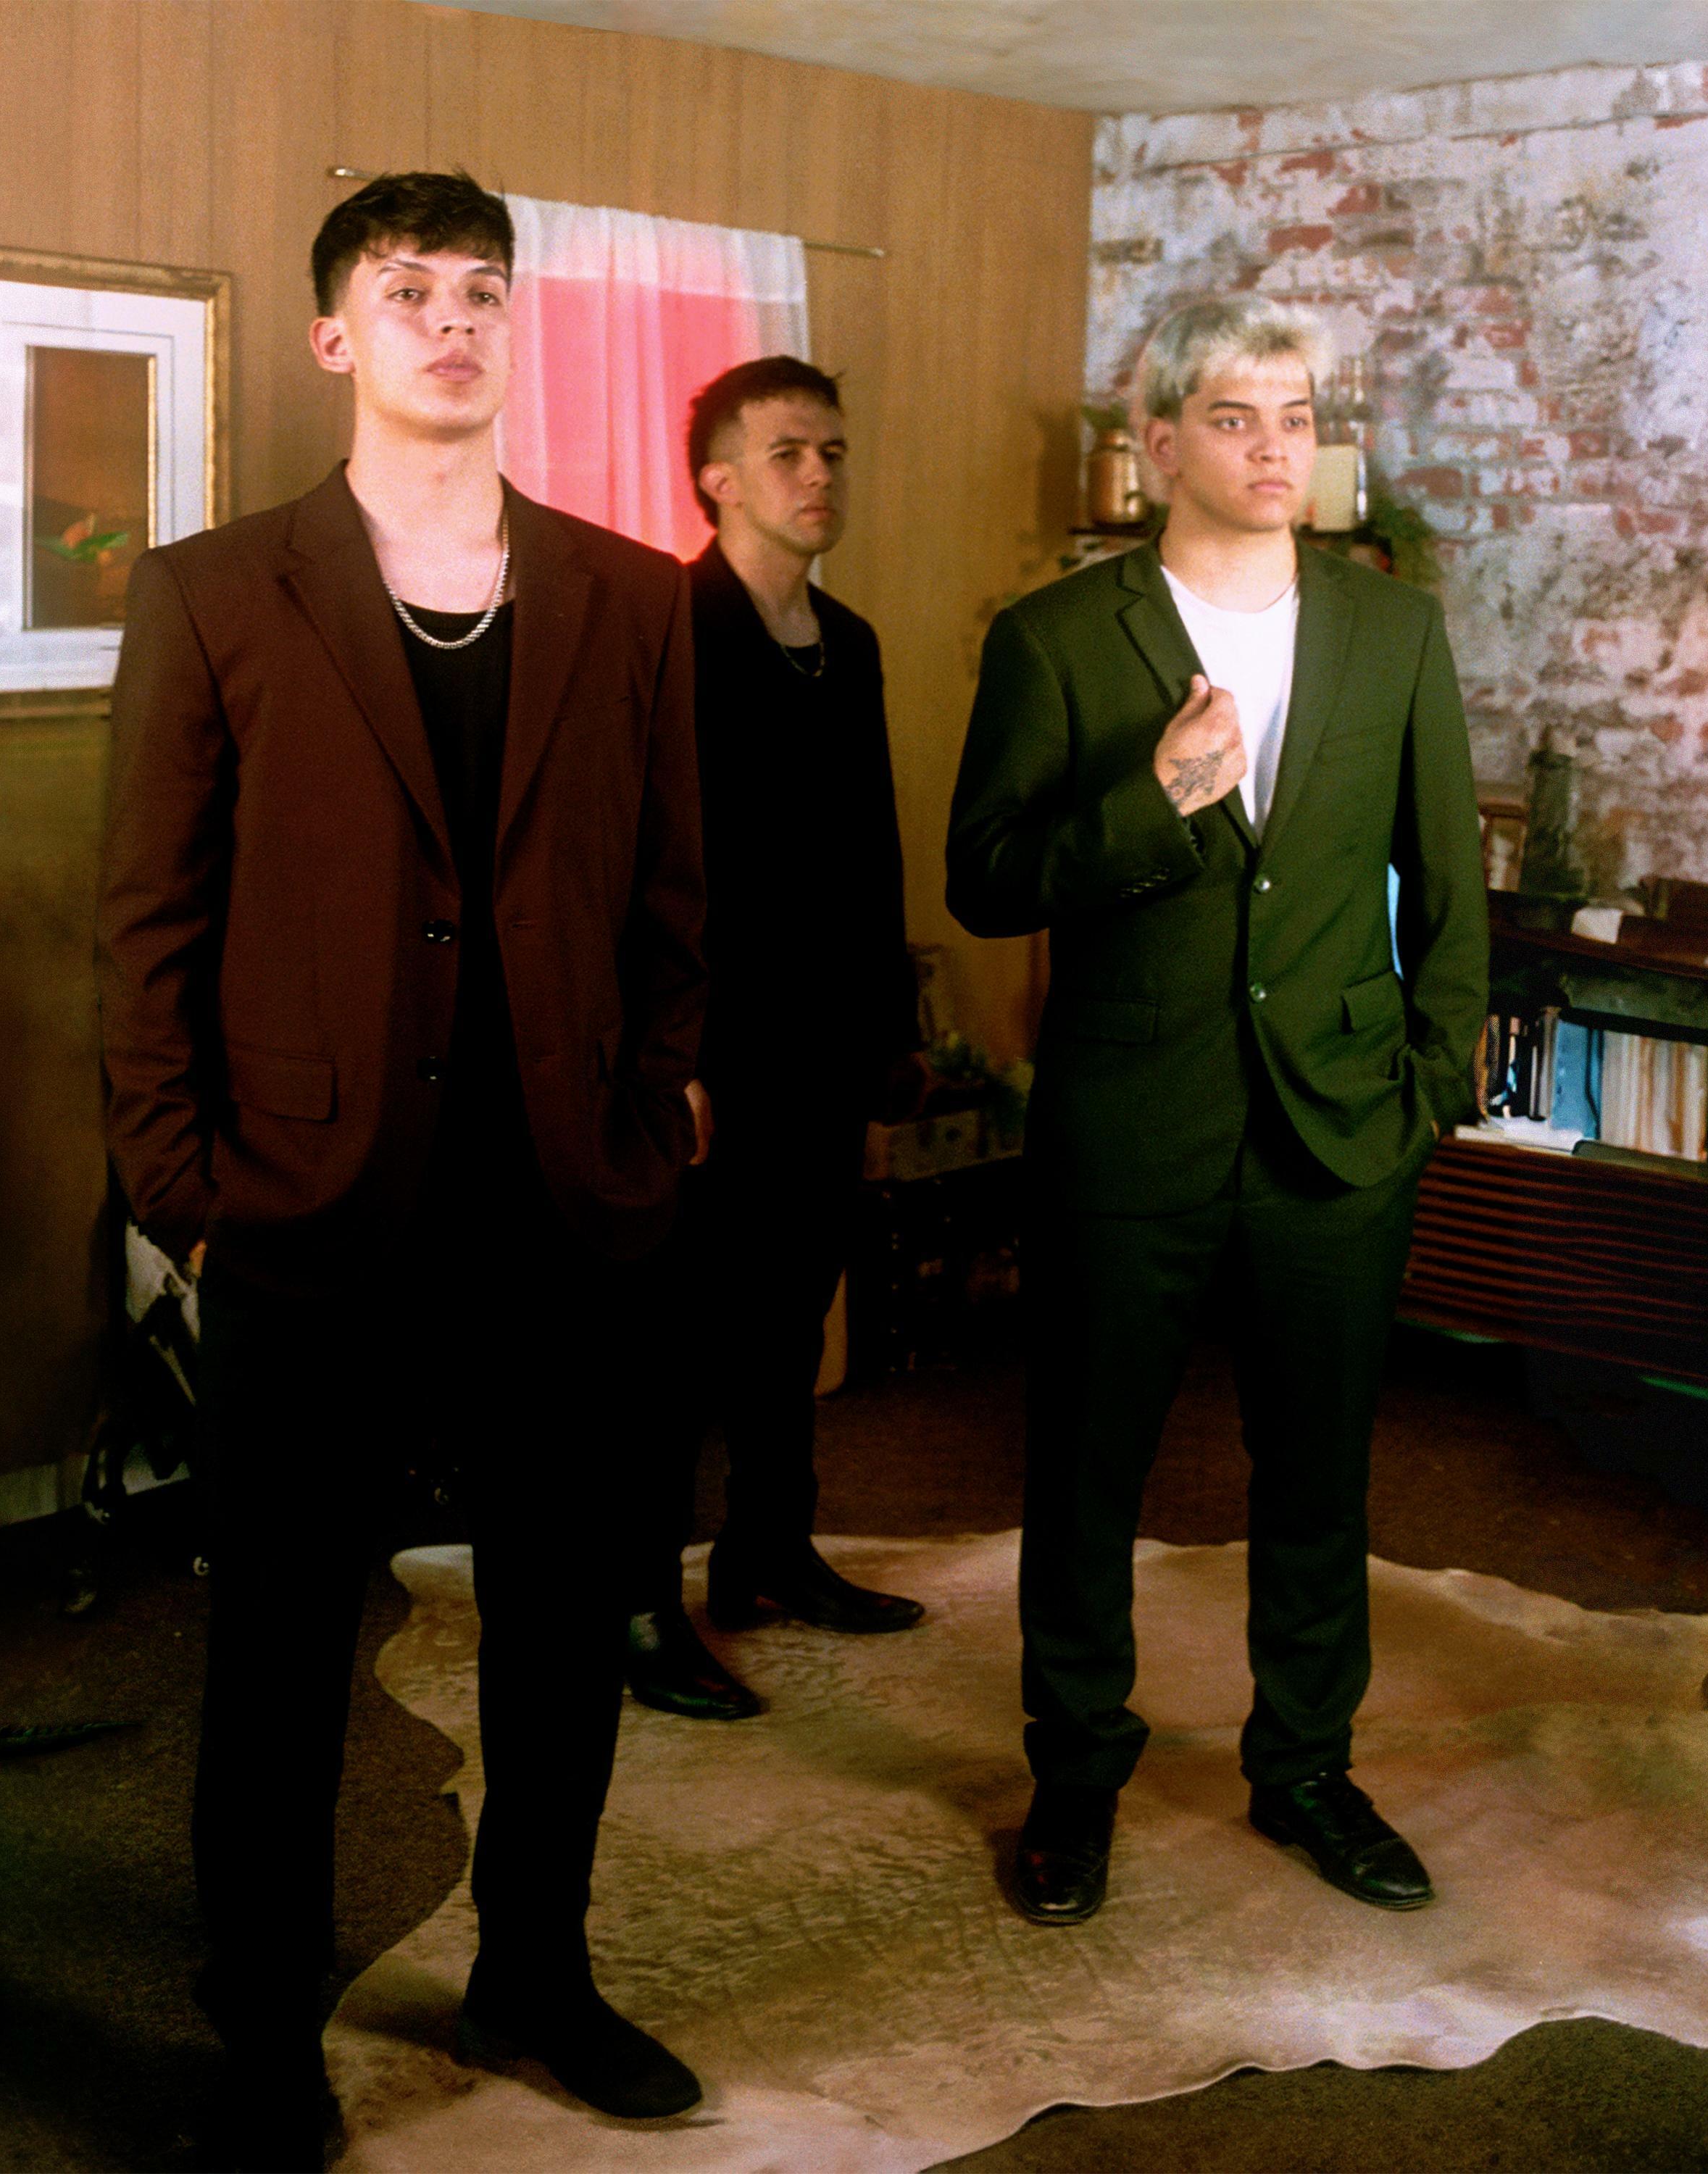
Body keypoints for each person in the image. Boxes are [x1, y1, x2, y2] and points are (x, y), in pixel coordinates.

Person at [97, 170, 709, 2167]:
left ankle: (535, 1972)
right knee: (281, 1653)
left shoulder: (632, 596)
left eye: (484, 293)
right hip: (306, 1203)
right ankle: (267, 2026)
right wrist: (181, 1188)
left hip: (565, 1206)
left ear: (516, 329)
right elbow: (149, 927)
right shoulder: (213, 592)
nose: (454, 322)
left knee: (564, 1629)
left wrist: (650, 1118)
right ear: (334, 337)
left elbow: (674, 902)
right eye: (409, 290)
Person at [946, 296, 1488, 1928]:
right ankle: (1074, 1780)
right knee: (1086, 1475)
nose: (1274, 448)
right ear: (1162, 441)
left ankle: (1307, 1769)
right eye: (1238, 418)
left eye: (1296, 418)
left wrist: (1424, 1090)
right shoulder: (1057, 637)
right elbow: (986, 881)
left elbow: (1448, 885)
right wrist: (1154, 800)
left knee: (1316, 1480)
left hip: (1341, 1128)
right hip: (1130, 1128)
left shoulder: (1394, 631)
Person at [622, 358, 929, 1725]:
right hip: (707, 1049)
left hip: (819, 1040)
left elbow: (872, 850)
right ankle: (636, 1603)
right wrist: (666, 1056)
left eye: (834, 452)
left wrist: (890, 1032)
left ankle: (767, 1552)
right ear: (719, 480)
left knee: (792, 1312)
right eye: (790, 453)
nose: (819, 475)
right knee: (675, 1338)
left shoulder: (847, 641)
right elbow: (629, 858)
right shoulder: (665, 629)